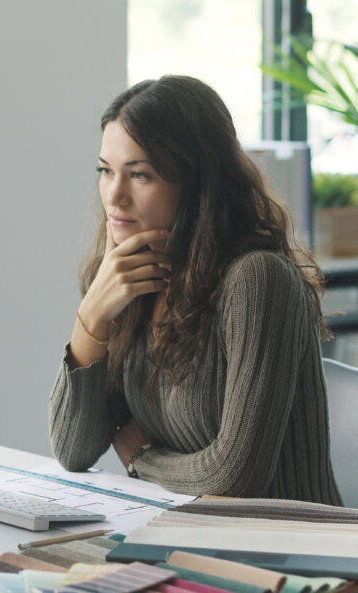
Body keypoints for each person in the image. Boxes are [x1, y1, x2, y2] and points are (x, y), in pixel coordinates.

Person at [49, 75, 341, 506]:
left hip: (283, 550)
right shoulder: (130, 279)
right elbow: (73, 450)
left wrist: (143, 458)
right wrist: (91, 317)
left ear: (197, 182)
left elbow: (237, 478)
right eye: (106, 170)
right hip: (182, 534)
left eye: (141, 174)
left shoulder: (258, 280)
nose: (114, 195)